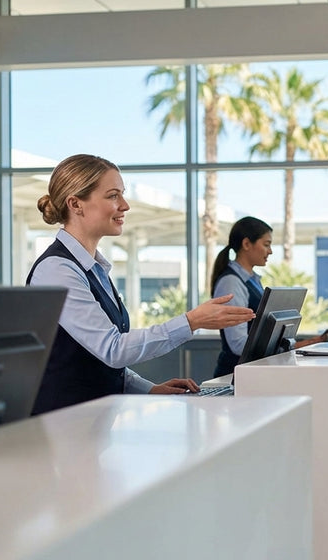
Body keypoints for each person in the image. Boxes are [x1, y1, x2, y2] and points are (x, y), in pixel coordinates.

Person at [27, 154, 254, 414]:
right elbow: (112, 349)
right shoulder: (58, 269)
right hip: (63, 422)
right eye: (113, 196)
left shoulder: (94, 268)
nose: (125, 205)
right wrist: (191, 321)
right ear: (76, 203)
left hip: (90, 421)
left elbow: (98, 359)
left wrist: (148, 388)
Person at [210, 215, 328, 378]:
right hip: (234, 377)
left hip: (253, 375)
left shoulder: (252, 280)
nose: (270, 251)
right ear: (247, 244)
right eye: (266, 244)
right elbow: (238, 344)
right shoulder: (231, 283)